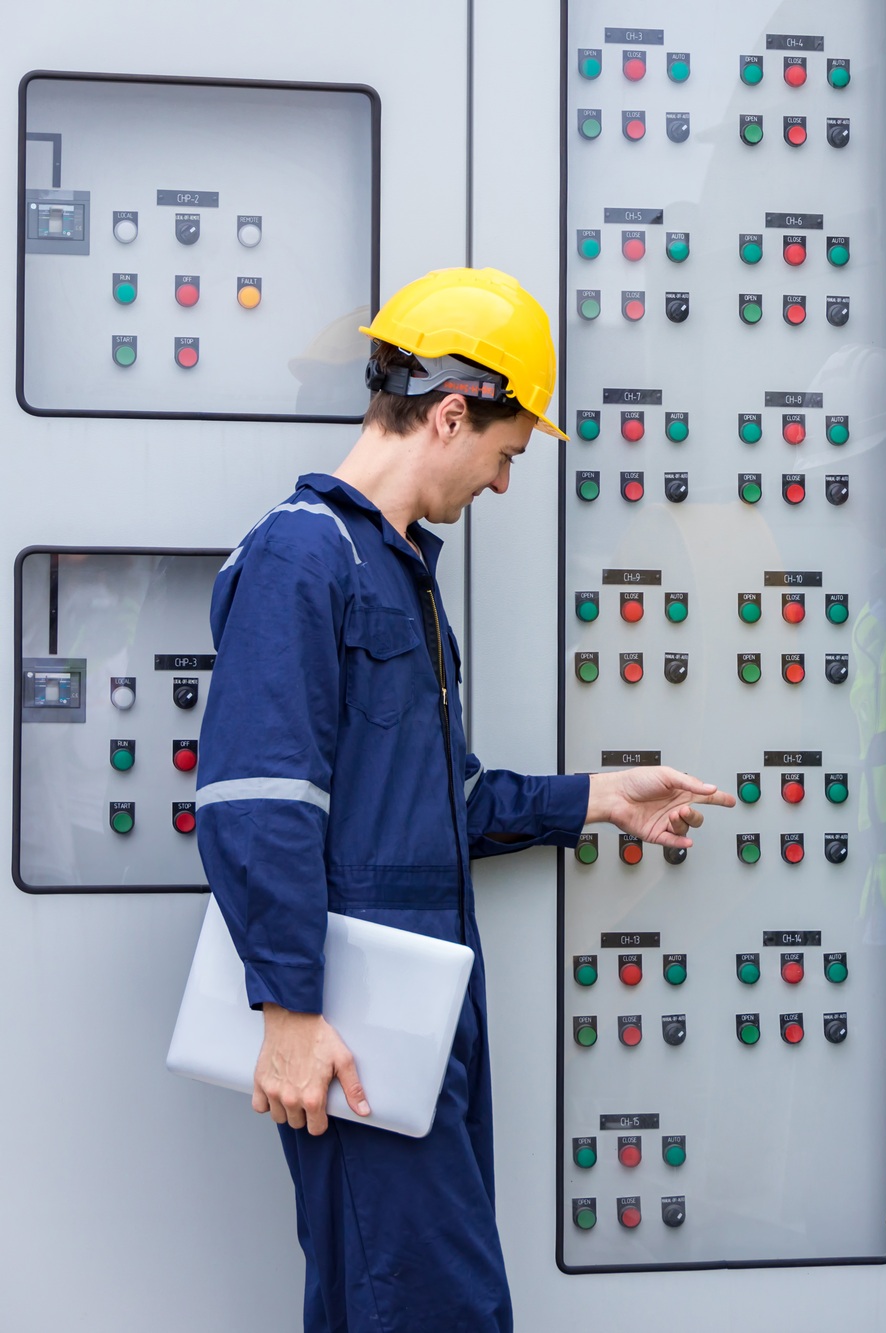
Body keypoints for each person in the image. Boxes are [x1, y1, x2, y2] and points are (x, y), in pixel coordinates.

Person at [195, 267, 733, 1332]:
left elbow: (444, 802)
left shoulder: (393, 571)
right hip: (351, 1020)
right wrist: (293, 1011)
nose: (499, 484)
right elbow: (253, 800)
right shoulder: (305, 557)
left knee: (386, 1301)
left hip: (416, 1010)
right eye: (504, 453)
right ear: (450, 412)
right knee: (436, 1306)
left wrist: (595, 798)